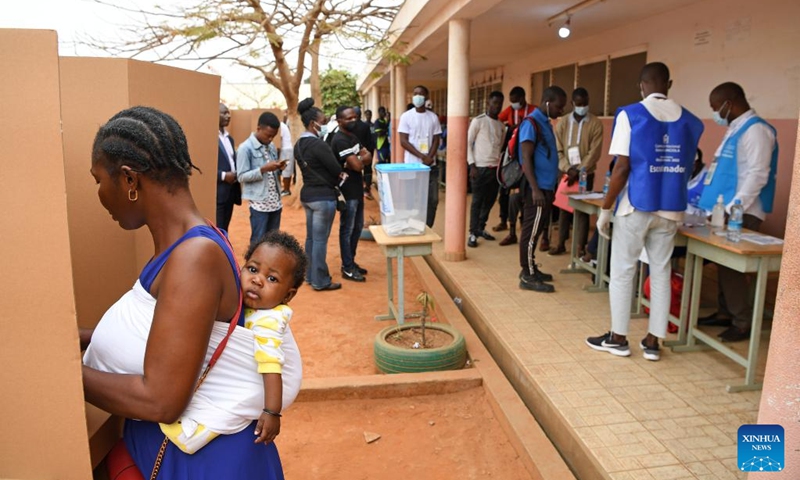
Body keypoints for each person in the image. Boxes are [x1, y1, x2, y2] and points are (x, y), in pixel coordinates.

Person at [81, 106, 299, 479]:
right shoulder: (187, 242)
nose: (99, 193)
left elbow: (161, 399)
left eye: (99, 180)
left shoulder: (193, 257)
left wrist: (61, 374)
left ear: (130, 180)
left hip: (206, 465)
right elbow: (170, 332)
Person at [586, 62, 703, 361]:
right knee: (661, 271)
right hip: (671, 208)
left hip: (636, 205)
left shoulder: (630, 114)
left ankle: (618, 337)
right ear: (669, 84)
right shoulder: (691, 121)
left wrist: (605, 208)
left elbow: (622, 167)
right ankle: (653, 342)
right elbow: (687, 166)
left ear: (642, 86)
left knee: (624, 271)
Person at [696, 82, 778, 342]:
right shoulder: (736, 129)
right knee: (723, 264)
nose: (715, 113)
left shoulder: (757, 131)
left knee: (733, 268)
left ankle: (742, 321)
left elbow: (757, 175)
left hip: (743, 212)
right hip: (725, 210)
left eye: (715, 108)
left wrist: (733, 209)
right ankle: (725, 312)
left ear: (728, 104)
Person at [241, 231, 307, 446]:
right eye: (252, 269)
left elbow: (270, 367)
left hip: (271, 393)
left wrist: (272, 411)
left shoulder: (268, 321)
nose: (257, 280)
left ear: (288, 296)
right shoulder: (247, 304)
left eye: (272, 278)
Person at [517, 86, 566, 293]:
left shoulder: (545, 123)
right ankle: (527, 276)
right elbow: (526, 158)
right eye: (558, 106)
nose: (560, 111)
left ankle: (531, 267)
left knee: (536, 231)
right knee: (530, 233)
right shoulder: (531, 123)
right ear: (547, 102)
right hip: (535, 190)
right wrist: (535, 189)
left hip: (546, 187)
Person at [294, 98, 344, 292]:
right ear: (313, 123)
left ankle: (309, 275)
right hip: (323, 198)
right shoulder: (319, 145)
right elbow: (335, 168)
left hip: (307, 196)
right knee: (320, 240)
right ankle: (320, 280)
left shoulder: (299, 145)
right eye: (323, 122)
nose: (324, 126)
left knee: (311, 239)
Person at [550, 87, 604, 256]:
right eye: (579, 104)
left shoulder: (595, 123)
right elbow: (557, 148)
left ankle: (580, 246)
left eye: (585, 104)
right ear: (572, 103)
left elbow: (594, 152)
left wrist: (579, 171)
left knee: (582, 211)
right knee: (564, 208)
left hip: (585, 175)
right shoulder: (563, 123)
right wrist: (568, 169)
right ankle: (560, 243)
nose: (583, 107)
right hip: (565, 172)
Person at [331, 105, 372, 282]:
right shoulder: (340, 140)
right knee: (347, 229)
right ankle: (347, 267)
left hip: (357, 188)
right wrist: (358, 160)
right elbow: (358, 165)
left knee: (357, 228)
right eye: (349, 118)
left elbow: (367, 158)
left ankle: (351, 261)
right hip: (347, 191)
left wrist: (358, 160)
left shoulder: (353, 137)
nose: (353, 120)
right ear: (339, 121)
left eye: (355, 117)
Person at [237, 112, 288, 245]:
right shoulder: (245, 148)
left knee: (273, 242)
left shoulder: (270, 146)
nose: (271, 139)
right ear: (259, 129)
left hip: (275, 202)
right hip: (259, 203)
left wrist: (278, 168)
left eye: (273, 136)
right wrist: (263, 169)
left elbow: (271, 173)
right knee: (258, 241)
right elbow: (241, 176)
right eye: (268, 135)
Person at [495, 86, 536, 245]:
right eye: (511, 102)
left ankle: (523, 224)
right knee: (505, 191)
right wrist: (509, 129)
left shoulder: (533, 110)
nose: (513, 105)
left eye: (516, 101)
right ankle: (504, 221)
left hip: (528, 157)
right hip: (512, 158)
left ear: (523, 98)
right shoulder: (510, 111)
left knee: (524, 194)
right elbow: (498, 119)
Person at [398, 85, 442, 227]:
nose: (417, 96)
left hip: (430, 166)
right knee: (412, 199)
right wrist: (422, 157)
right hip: (411, 165)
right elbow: (403, 141)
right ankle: (412, 225)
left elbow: (436, 139)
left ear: (426, 97)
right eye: (415, 93)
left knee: (432, 200)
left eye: (421, 94)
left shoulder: (433, 117)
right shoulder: (406, 116)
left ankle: (427, 227)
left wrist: (430, 157)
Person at [467, 90, 505, 248]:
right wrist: (472, 165)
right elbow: (468, 143)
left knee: (490, 201)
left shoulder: (501, 125)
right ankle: (472, 233)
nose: (497, 106)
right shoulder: (478, 121)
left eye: (500, 103)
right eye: (494, 103)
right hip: (479, 168)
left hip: (494, 169)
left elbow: (501, 147)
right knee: (477, 201)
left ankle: (481, 228)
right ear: (488, 103)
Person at [217, 103, 241, 232]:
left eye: (228, 113)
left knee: (225, 228)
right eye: (224, 113)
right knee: (218, 230)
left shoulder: (229, 139)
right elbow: (205, 168)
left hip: (230, 192)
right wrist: (223, 175)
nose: (228, 116)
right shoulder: (209, 138)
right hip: (218, 192)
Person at [352, 106, 376, 200]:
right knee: (367, 169)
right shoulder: (365, 126)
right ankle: (367, 189)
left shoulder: (351, 126)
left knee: (354, 169)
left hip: (354, 152)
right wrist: (369, 152)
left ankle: (356, 189)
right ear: (360, 114)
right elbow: (369, 140)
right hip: (365, 151)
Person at [278, 116, 294, 196]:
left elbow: (279, 139)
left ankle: (286, 190)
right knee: (285, 169)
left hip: (286, 149)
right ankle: (284, 189)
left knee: (286, 170)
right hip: (286, 149)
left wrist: (277, 151)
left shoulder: (280, 125)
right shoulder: (282, 125)